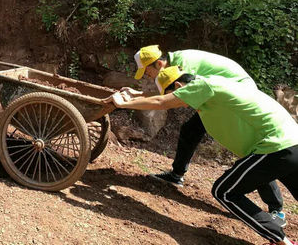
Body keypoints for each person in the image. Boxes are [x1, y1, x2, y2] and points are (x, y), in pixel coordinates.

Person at [109, 66, 298, 245]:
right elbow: (161, 97)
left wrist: (125, 103)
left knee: (224, 191)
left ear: (178, 86)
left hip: (276, 146)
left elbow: (161, 102)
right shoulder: (211, 88)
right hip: (292, 140)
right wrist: (137, 94)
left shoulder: (202, 86)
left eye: (175, 94)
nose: (176, 102)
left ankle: (279, 240)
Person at [130, 45, 286, 223]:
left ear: (158, 64)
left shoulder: (185, 65)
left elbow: (170, 98)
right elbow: (170, 93)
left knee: (250, 147)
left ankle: (276, 209)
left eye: (147, 71)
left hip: (238, 93)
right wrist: (138, 94)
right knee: (191, 129)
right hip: (223, 92)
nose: (146, 76)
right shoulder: (175, 64)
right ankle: (176, 174)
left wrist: (133, 100)